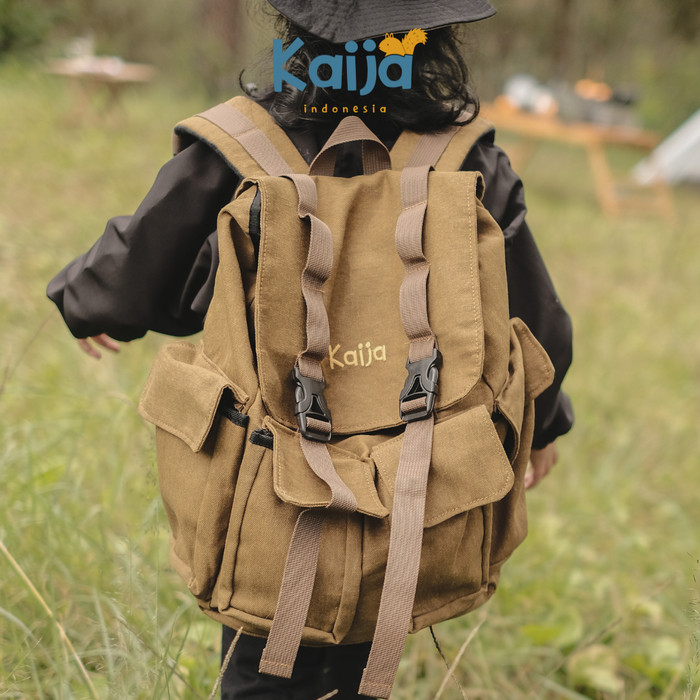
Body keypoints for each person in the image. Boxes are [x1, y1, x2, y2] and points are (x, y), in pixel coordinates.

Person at [47, 1, 573, 697]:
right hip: (417, 469)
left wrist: (90, 301)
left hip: (267, 470)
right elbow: (528, 312)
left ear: (296, 33)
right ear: (434, 37)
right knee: (376, 611)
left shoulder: (236, 146)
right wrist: (545, 421)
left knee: (263, 639)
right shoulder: (470, 158)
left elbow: (148, 255)